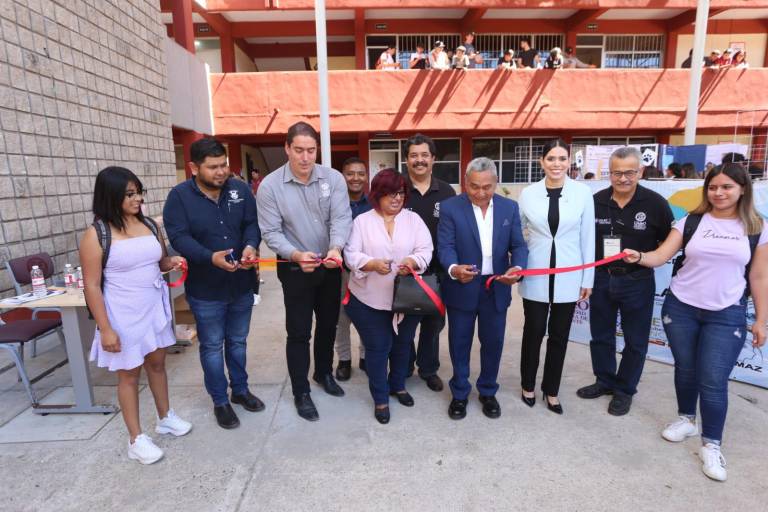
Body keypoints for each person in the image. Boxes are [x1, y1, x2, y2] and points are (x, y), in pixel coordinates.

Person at [622, 163, 768, 482]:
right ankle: (687, 419)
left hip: (726, 313)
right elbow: (661, 255)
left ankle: (712, 445)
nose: (719, 193)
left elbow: (758, 276)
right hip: (682, 307)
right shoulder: (692, 221)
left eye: (727, 187)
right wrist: (639, 257)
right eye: (713, 187)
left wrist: (762, 319)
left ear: (743, 189)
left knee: (713, 380)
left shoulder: (757, 228)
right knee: (685, 369)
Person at [83, 167, 191, 464]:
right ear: (111, 196)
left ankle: (165, 416)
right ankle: (136, 438)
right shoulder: (96, 235)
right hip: (122, 314)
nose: (137, 198)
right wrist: (105, 328)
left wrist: (172, 262)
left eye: (138, 191)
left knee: (157, 364)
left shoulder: (148, 224)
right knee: (129, 374)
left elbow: (158, 261)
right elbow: (91, 285)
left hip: (153, 308)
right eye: (129, 194)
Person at [163, 138, 263, 430]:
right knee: (211, 346)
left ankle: (241, 390)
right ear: (194, 168)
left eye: (224, 165)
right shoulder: (179, 197)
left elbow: (251, 224)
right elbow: (179, 237)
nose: (221, 172)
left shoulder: (239, 189)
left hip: (241, 283)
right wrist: (209, 257)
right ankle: (220, 400)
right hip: (206, 288)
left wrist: (251, 246)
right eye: (213, 167)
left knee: (238, 342)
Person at [257, 122, 352, 422]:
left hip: (330, 263)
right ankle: (301, 391)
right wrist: (295, 255)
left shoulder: (333, 179)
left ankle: (322, 372)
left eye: (311, 150)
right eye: (298, 150)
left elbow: (341, 217)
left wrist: (336, 248)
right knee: (298, 331)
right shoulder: (271, 187)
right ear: (287, 148)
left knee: (327, 324)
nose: (305, 157)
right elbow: (271, 232)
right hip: (295, 267)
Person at [576, 148, 674, 416]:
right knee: (601, 336)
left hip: (637, 281)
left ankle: (624, 390)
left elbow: (671, 241)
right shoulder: (594, 201)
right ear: (610, 173)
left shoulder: (655, 204)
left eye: (629, 172)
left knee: (635, 340)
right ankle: (604, 380)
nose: (623, 178)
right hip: (601, 280)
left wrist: (648, 257)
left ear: (639, 172)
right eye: (617, 172)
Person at [438, 157, 528, 420]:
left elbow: (519, 246)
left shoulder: (509, 208)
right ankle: (460, 393)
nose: (480, 193)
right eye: (474, 186)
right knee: (459, 343)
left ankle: (488, 391)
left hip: (496, 286)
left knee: (493, 343)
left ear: (496, 183)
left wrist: (517, 269)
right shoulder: (450, 208)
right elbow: (445, 246)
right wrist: (454, 269)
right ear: (466, 182)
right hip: (463, 285)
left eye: (487, 187)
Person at [344, 169, 433, 424]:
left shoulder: (413, 220)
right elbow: (351, 254)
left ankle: (398, 386)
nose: (396, 199)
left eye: (401, 194)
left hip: (406, 299)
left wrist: (413, 261)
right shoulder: (362, 221)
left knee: (403, 344)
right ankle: (381, 397)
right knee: (378, 348)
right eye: (390, 194)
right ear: (378, 194)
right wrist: (370, 263)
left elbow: (426, 248)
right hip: (368, 299)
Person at [518, 139, 595, 414]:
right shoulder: (527, 193)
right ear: (542, 162)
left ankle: (551, 390)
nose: (557, 164)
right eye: (551, 158)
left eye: (562, 158)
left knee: (559, 336)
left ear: (569, 162)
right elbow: (518, 232)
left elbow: (588, 238)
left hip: (570, 275)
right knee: (533, 332)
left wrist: (588, 279)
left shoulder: (583, 193)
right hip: (536, 272)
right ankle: (527, 384)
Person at [403, 133, 456, 391]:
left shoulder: (446, 191)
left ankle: (428, 368)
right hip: (406, 271)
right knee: (403, 321)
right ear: (406, 160)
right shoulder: (397, 188)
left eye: (425, 155)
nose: (419, 160)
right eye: (414, 155)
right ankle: (404, 365)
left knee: (433, 324)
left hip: (438, 271)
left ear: (433, 159)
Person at [335, 157, 373, 381]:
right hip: (339, 270)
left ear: (366, 176)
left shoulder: (374, 205)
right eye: (350, 173)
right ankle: (344, 360)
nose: (355, 178)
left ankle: (366, 357)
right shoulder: (335, 204)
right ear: (343, 176)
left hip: (367, 269)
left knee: (367, 315)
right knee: (341, 318)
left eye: (360, 173)